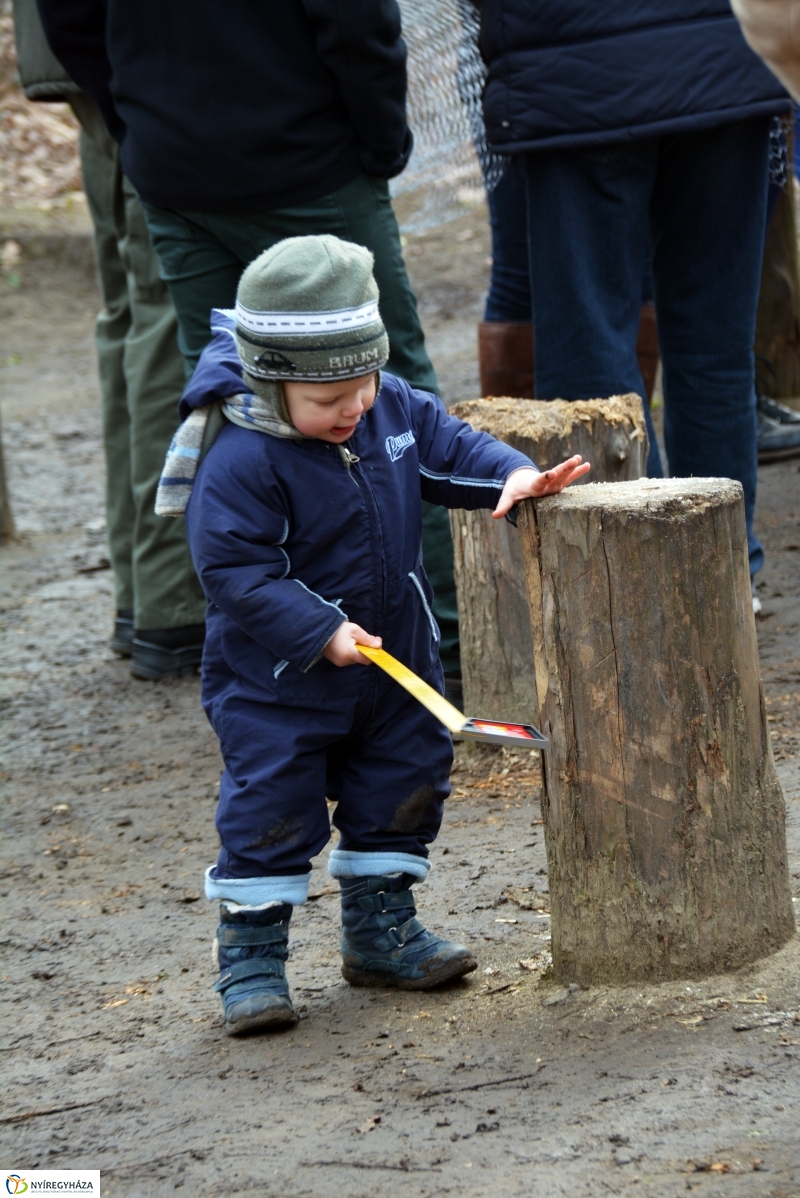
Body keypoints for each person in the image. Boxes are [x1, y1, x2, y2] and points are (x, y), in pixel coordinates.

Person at [161, 235, 589, 1035]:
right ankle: (252, 958)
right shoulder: (243, 456)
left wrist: (511, 475)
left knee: (403, 780)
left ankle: (380, 928)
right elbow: (235, 573)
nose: (353, 411)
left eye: (363, 389)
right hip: (278, 684)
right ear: (270, 379)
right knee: (271, 805)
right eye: (330, 403)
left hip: (393, 665)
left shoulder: (383, 402)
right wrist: (319, 631)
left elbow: (446, 445)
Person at [36, 0, 462, 698]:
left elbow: (69, 21)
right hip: (304, 159)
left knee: (229, 400)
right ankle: (436, 643)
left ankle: (289, 647)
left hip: (176, 159)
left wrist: (141, 123)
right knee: (383, 398)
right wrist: (380, 142)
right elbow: (358, 23)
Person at [478, 0, 790, 580]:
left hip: (573, 70)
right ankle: (722, 570)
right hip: (724, 57)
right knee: (715, 350)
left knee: (588, 349)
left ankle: (627, 574)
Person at [14, 0, 206, 678]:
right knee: (160, 315)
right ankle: (173, 603)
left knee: (131, 313)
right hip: (117, 47)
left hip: (84, 49)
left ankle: (147, 594)